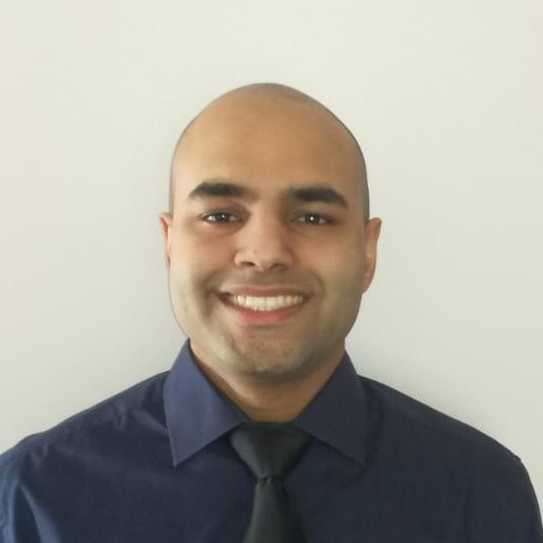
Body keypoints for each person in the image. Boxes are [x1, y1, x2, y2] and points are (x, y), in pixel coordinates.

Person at [0, 83, 541, 543]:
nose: (264, 253)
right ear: (169, 243)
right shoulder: (31, 496)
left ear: (367, 251)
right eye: (220, 215)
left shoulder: (481, 494)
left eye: (312, 217)